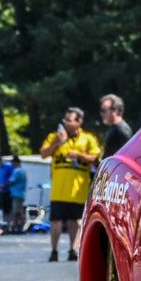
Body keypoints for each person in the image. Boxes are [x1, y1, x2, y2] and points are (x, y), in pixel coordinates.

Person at [39, 107, 101, 261]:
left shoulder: (88, 138)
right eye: (65, 120)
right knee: (55, 221)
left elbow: (96, 157)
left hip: (77, 189)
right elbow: (43, 154)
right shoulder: (54, 136)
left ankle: (72, 250)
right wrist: (56, 144)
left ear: (79, 122)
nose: (66, 123)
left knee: (75, 221)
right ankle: (54, 251)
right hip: (59, 189)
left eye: (70, 120)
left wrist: (79, 155)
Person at [99, 93, 133, 158]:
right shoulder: (114, 127)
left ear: (116, 111)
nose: (101, 114)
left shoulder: (121, 129)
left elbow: (128, 154)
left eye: (104, 110)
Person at [8, 155, 26, 233]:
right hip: (21, 194)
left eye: (13, 162)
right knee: (19, 212)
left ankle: (15, 227)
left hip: (17, 194)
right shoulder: (23, 171)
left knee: (16, 212)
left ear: (16, 162)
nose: (12, 164)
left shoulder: (17, 171)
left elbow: (11, 181)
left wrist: (3, 185)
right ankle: (20, 227)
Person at [0, 152, 12, 233]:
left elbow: (11, 178)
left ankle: (9, 226)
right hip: (1, 192)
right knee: (2, 210)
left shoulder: (8, 166)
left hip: (8, 191)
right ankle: (3, 226)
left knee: (8, 210)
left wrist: (4, 185)